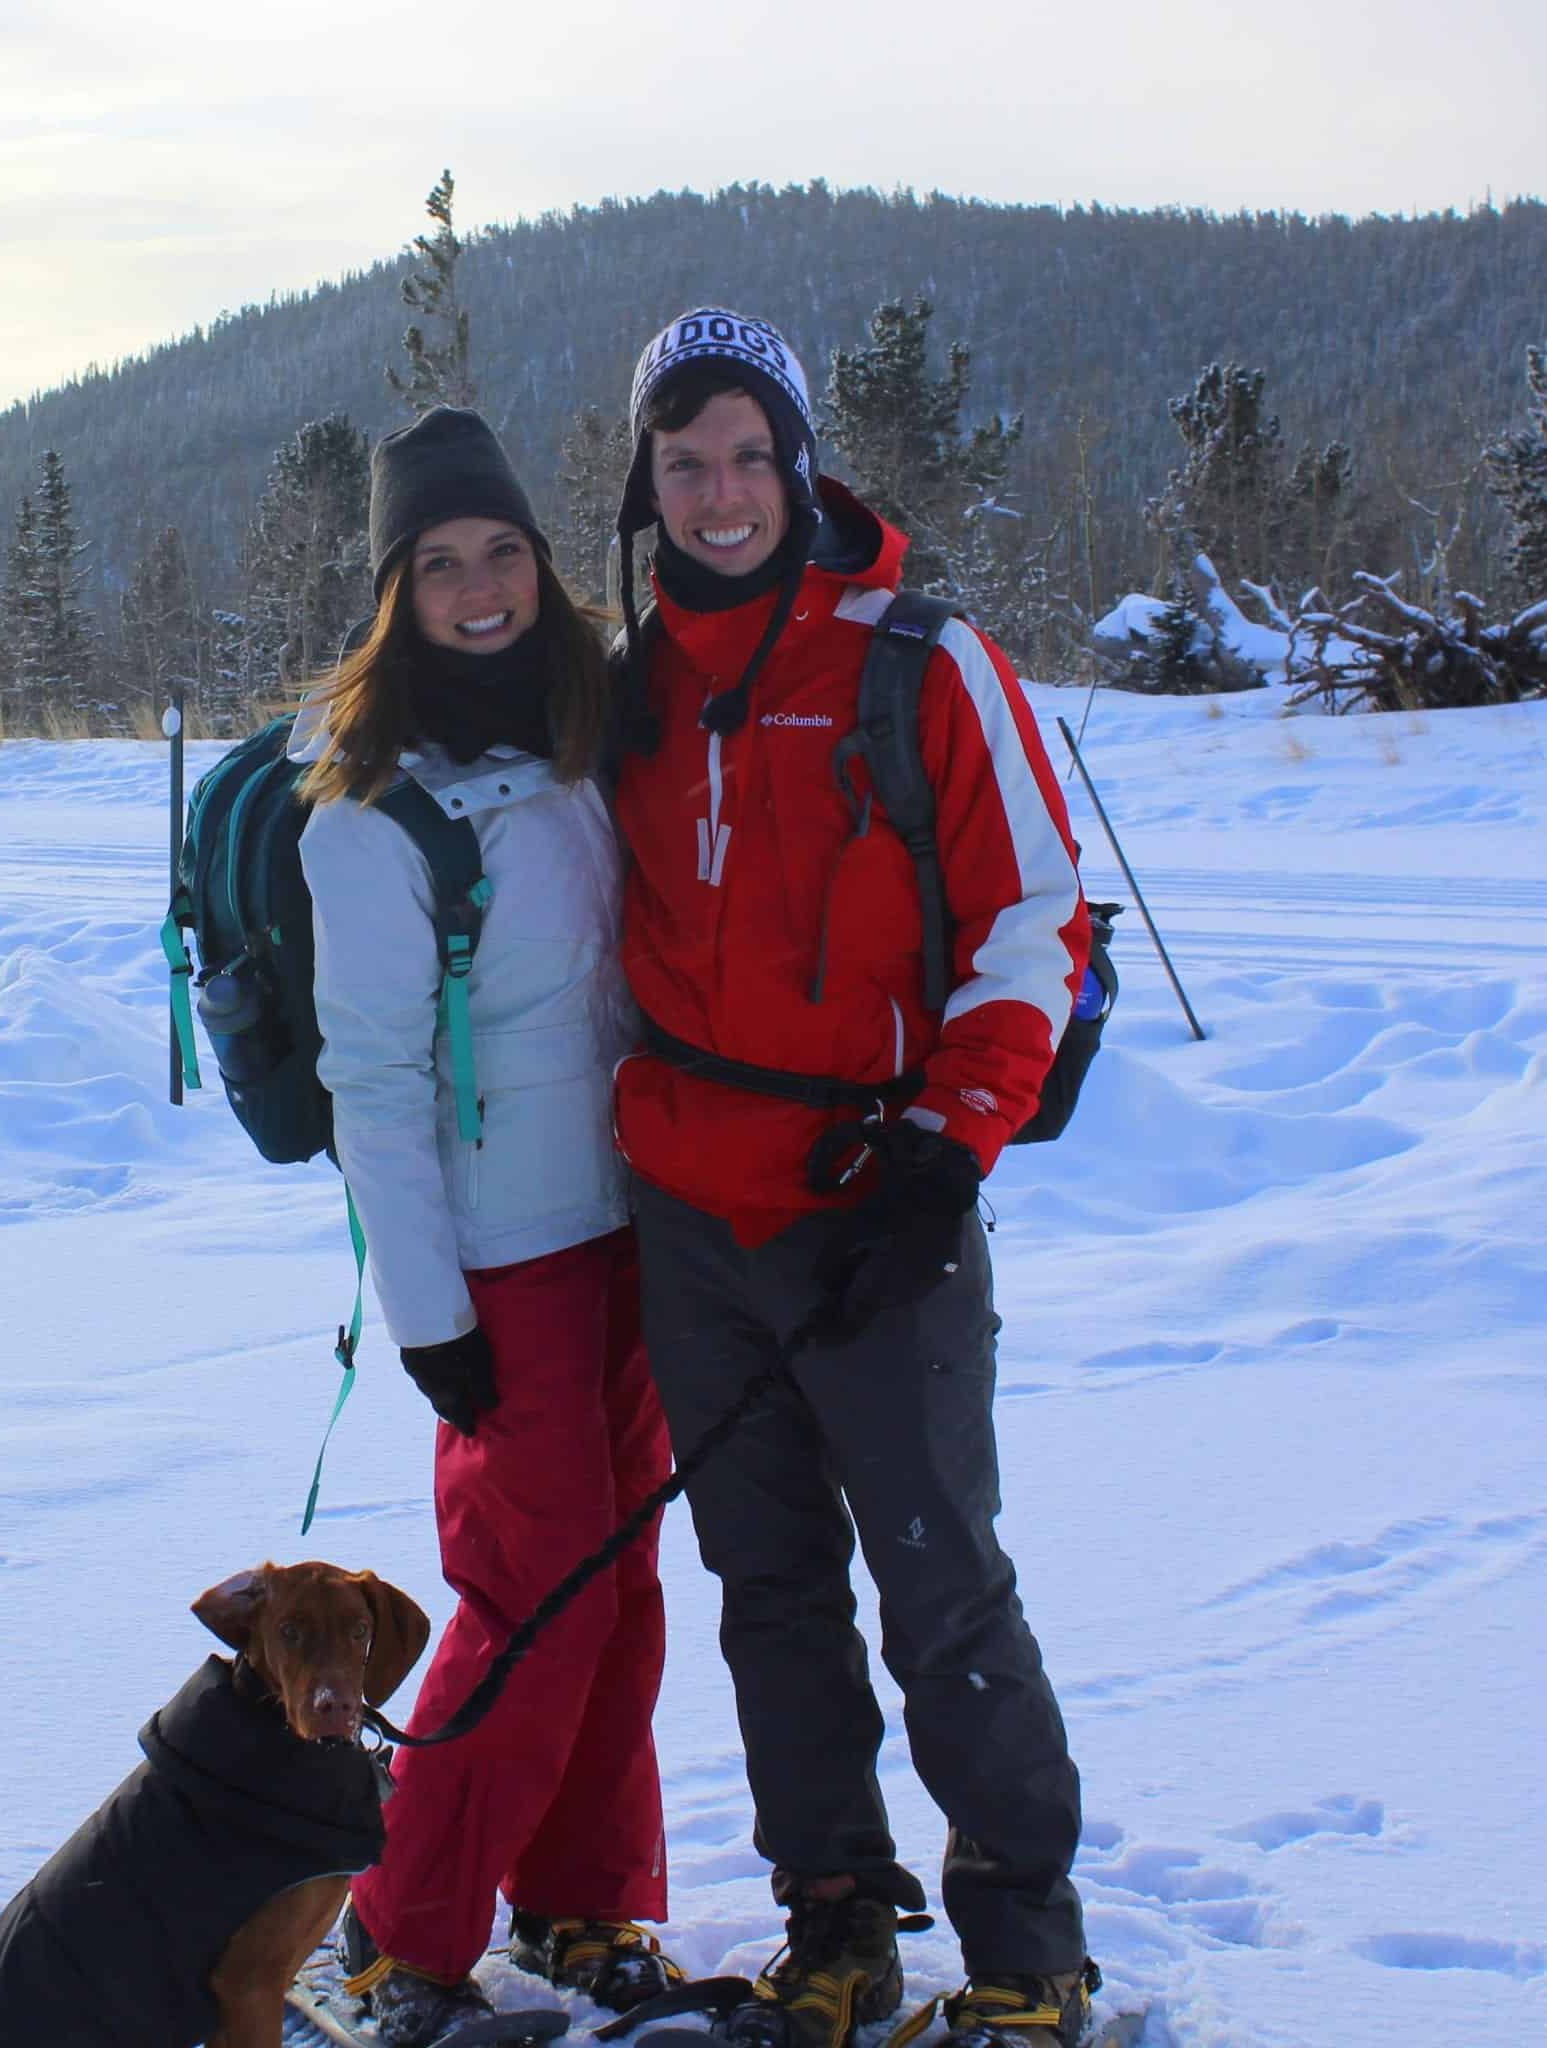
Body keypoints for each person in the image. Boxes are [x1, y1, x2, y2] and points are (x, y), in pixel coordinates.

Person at [606, 310, 1096, 2048]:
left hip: (873, 1196)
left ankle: (1030, 1951)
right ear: (646, 483)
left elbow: (1039, 916)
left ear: (800, 460)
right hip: (694, 1217)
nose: (722, 492)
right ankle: (835, 1924)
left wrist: (943, 1152)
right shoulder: (632, 681)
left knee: (939, 1578)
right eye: (686, 461)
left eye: (749, 453)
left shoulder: (914, 658)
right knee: (770, 1590)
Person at [293, 406, 683, 2048]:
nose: (477, 587)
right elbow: (371, 1082)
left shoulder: (592, 745)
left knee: (626, 1580)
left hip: (636, 1235)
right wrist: (431, 1313)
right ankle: (398, 1927)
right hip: (502, 1265)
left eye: (501, 551)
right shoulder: (370, 817)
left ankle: (588, 1902)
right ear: (398, 594)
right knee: (539, 1597)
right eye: (438, 562)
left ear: (541, 562)